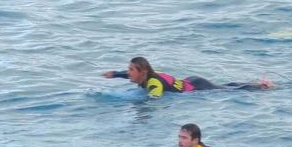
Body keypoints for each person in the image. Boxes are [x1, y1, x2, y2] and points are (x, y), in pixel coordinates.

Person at [102, 56, 272, 97]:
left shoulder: (154, 84)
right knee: (227, 85)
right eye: (128, 69)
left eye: (132, 69)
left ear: (142, 72)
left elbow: (153, 101)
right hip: (190, 80)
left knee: (228, 90)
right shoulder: (145, 75)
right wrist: (114, 74)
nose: (128, 72)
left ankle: (261, 87)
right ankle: (257, 83)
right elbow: (127, 76)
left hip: (197, 86)